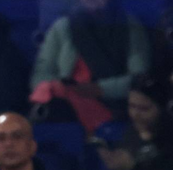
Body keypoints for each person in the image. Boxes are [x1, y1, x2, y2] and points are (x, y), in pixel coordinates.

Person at [30, 0, 151, 131]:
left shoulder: (129, 26)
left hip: (113, 106)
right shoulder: (63, 27)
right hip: (65, 104)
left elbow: (139, 80)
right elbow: (40, 76)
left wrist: (99, 89)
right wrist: (60, 87)